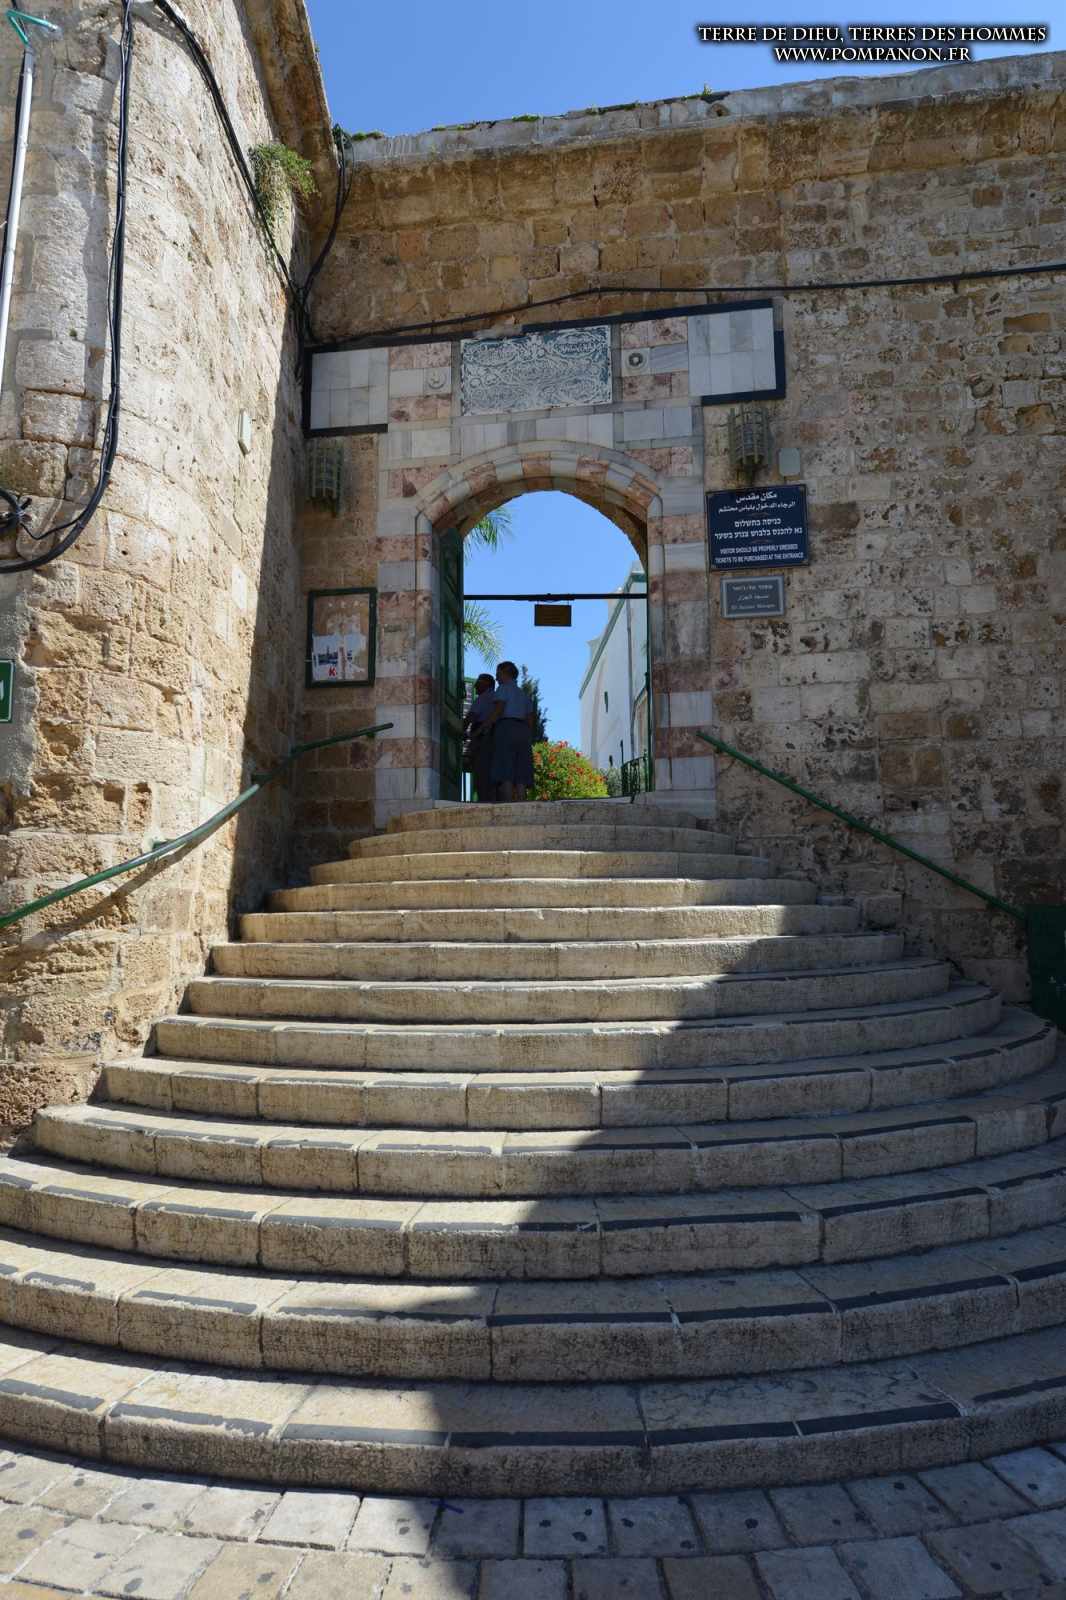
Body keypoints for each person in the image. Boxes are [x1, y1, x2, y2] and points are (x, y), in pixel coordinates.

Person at [482, 660, 535, 803]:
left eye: (498, 674)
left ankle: (508, 804)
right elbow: (530, 719)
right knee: (521, 770)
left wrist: (484, 727)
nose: (496, 678)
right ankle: (522, 804)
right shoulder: (523, 695)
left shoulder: (503, 689)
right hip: (523, 731)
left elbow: (498, 710)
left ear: (506, 674)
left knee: (505, 769)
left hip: (506, 727)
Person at [463, 672, 497, 803]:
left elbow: (471, 717)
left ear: (487, 684)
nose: (475, 685)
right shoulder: (496, 698)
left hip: (483, 738)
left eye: (479, 682)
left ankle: (484, 801)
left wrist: (461, 730)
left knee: (481, 770)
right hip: (495, 739)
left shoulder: (483, 698)